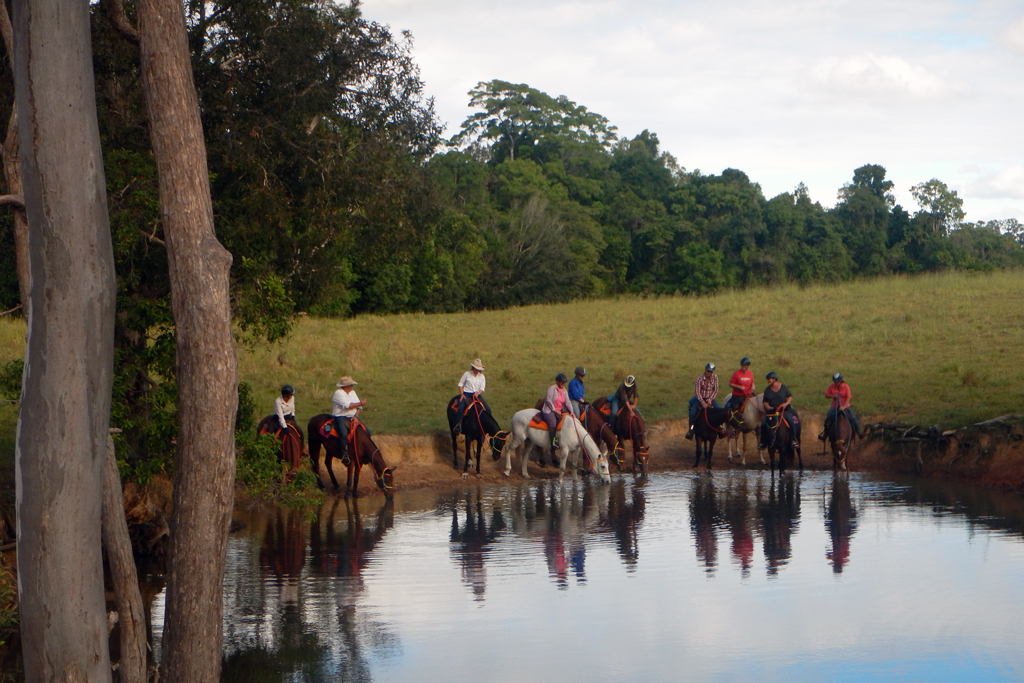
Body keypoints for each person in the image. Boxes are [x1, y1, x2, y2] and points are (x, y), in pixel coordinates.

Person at [759, 371, 801, 450]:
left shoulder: (783, 387)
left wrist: (786, 404)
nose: (768, 381)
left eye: (769, 379)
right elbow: (764, 402)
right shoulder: (767, 390)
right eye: (767, 379)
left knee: (791, 422)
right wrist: (768, 407)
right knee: (763, 424)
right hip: (772, 412)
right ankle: (762, 442)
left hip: (783, 410)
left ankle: (794, 440)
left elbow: (790, 396)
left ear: (774, 379)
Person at [332, 376, 366, 465]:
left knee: (367, 431)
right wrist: (361, 403)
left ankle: (363, 452)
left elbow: (359, 407)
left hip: (353, 416)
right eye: (351, 385)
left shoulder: (353, 393)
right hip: (341, 416)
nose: (352, 387)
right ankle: (344, 454)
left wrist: (356, 416)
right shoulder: (338, 393)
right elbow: (349, 405)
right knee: (343, 433)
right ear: (346, 386)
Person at [819, 372, 864, 439]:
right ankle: (825, 434)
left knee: (853, 417)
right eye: (835, 382)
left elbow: (848, 397)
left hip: (845, 406)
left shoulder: (846, 386)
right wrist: (833, 396)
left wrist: (844, 406)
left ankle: (859, 431)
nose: (835, 383)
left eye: (837, 382)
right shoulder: (831, 387)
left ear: (840, 381)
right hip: (835, 406)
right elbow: (826, 395)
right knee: (828, 418)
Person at [453, 359, 490, 435]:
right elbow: (460, 384)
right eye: (477, 368)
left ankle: (487, 426)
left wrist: (478, 393)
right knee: (461, 408)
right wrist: (462, 394)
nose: (478, 370)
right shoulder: (467, 374)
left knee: (488, 409)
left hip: (477, 395)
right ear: (473, 368)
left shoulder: (482, 377)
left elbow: (482, 388)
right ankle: (458, 425)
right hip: (467, 394)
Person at [686, 363, 721, 440]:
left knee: (719, 410)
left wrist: (710, 399)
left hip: (710, 399)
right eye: (708, 371)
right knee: (692, 413)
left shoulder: (715, 377)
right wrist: (703, 402)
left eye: (711, 372)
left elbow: (715, 390)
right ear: (706, 370)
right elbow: (697, 392)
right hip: (700, 399)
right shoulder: (700, 379)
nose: (709, 373)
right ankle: (691, 430)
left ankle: (720, 429)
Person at [543, 373, 571, 448]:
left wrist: (572, 412)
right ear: (557, 381)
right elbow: (548, 401)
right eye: (562, 382)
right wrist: (555, 410)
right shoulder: (552, 389)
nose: (563, 384)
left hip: (560, 410)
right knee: (553, 423)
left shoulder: (564, 390)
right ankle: (553, 442)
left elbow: (567, 402)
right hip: (549, 410)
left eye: (564, 382)